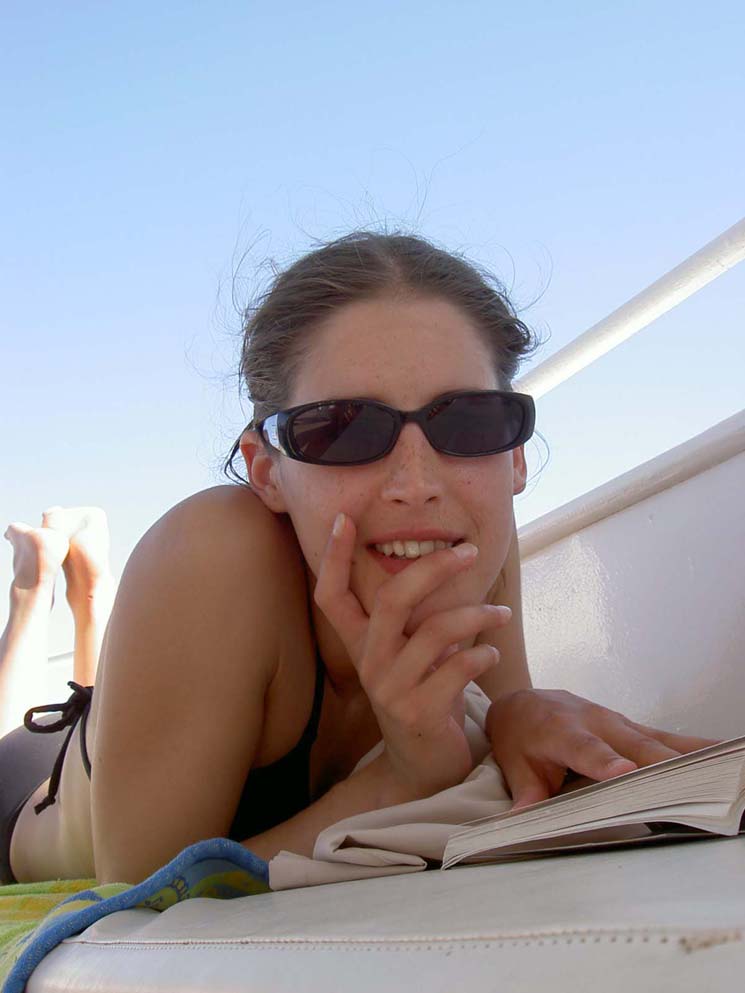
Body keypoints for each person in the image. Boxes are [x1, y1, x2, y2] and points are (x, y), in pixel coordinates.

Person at [0, 229, 716, 887]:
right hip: (22, 797)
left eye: (469, 422)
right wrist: (400, 780)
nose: (418, 484)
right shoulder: (215, 551)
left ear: (516, 455)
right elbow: (139, 898)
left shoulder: (466, 534)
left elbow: (500, 712)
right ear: (265, 468)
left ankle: (85, 594)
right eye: (342, 429)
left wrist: (519, 714)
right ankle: (35, 592)